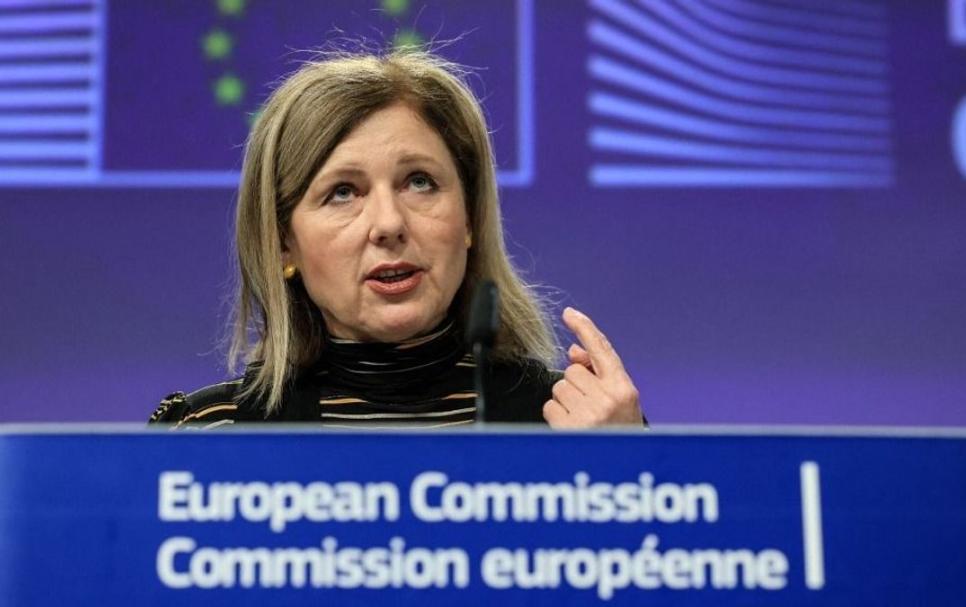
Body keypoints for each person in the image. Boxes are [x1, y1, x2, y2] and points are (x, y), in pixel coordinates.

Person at [149, 49, 644, 429]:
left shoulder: (571, 427)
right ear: (283, 244)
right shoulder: (210, 439)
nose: (388, 223)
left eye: (419, 182)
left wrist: (626, 468)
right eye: (343, 192)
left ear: (470, 218)